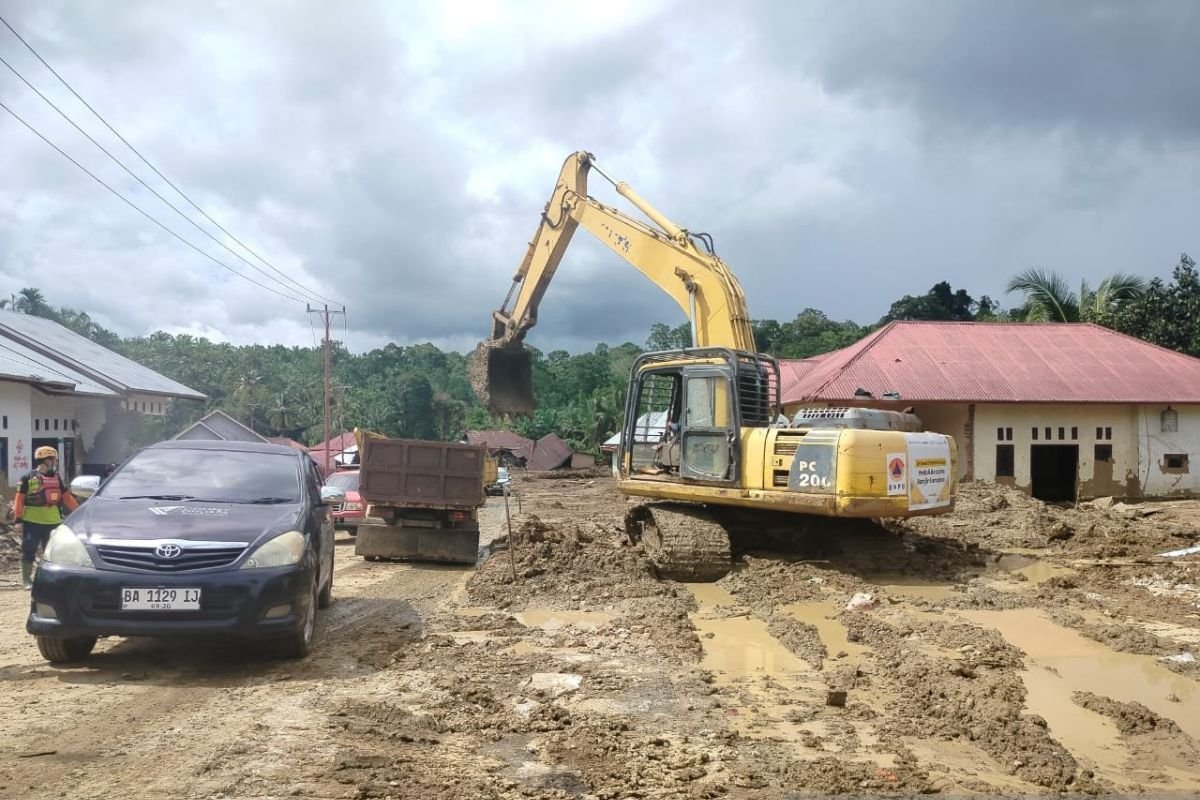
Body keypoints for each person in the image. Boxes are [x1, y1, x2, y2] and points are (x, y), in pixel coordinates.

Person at [13, 446, 78, 590]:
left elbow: (67, 498)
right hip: (32, 521)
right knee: (29, 549)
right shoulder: (27, 478)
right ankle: (26, 580)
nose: (54, 462)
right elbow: (19, 500)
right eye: (53, 459)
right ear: (46, 460)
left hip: (53, 522)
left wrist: (79, 512)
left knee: (52, 552)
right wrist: (18, 520)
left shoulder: (57, 478)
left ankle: (49, 580)